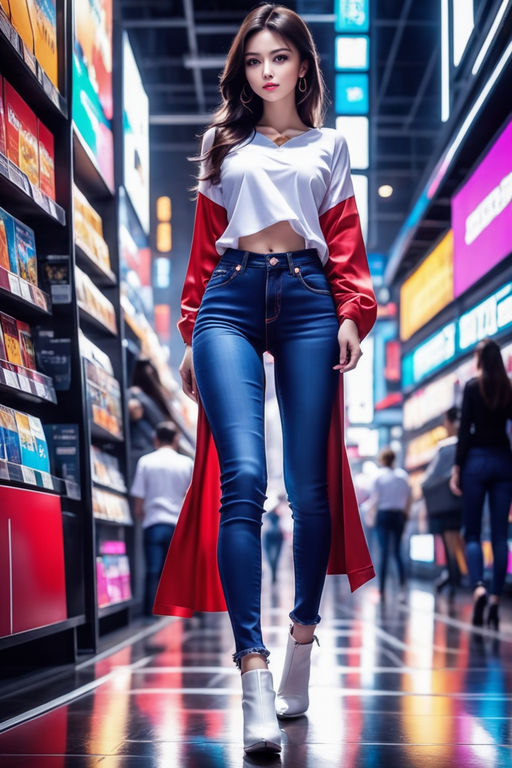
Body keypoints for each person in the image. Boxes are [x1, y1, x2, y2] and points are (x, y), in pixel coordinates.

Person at [153, 4, 377, 754]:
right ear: (244, 70)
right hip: (231, 300)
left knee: (308, 490)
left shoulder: (331, 145)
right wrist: (191, 331)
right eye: (254, 60)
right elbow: (204, 250)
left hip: (310, 301)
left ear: (303, 65)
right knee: (242, 475)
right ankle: (251, 670)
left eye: (280, 56)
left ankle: (300, 647)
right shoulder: (225, 143)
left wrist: (353, 313)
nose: (267, 70)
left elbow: (344, 246)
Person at [450, 339, 512, 630]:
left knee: (472, 532)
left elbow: (464, 432)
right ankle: (497, 599)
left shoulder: (472, 387)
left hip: (475, 461)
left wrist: (457, 469)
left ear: (480, 359)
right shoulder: (508, 387)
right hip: (503, 460)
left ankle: (478, 587)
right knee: (500, 536)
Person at [131, 422, 193, 617]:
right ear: (176, 439)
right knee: (178, 571)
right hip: (178, 525)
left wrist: (141, 514)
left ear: (155, 439)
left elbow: (139, 496)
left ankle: (150, 613)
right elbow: (190, 495)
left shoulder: (146, 461)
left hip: (153, 522)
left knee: (153, 569)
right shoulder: (186, 463)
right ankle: (178, 610)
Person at [421, 407, 465, 597]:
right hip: (463, 500)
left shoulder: (445, 447)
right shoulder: (466, 441)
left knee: (449, 542)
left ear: (448, 421)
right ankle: (457, 577)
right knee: (459, 540)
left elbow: (429, 478)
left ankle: (453, 579)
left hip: (446, 503)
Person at [370, 447, 411, 600]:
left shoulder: (379, 477)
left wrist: (370, 515)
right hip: (399, 515)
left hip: (383, 515)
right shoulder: (403, 476)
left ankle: (381, 590)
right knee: (398, 551)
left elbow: (375, 499)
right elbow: (409, 498)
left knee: (384, 552)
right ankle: (402, 587)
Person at [263, 495, 286, 584]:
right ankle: (273, 574)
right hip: (271, 536)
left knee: (275, 557)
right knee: (272, 557)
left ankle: (274, 574)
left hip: (276, 536)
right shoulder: (273, 511)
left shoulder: (281, 511)